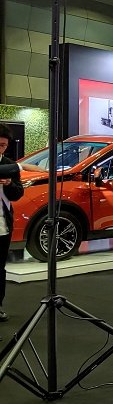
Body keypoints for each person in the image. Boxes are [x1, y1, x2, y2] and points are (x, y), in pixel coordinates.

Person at [0, 124, 25, 322]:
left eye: (3, 145)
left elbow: (18, 193)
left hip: (2, 224)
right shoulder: (11, 166)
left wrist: (9, 184)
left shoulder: (10, 165)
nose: (0, 148)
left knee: (0, 269)